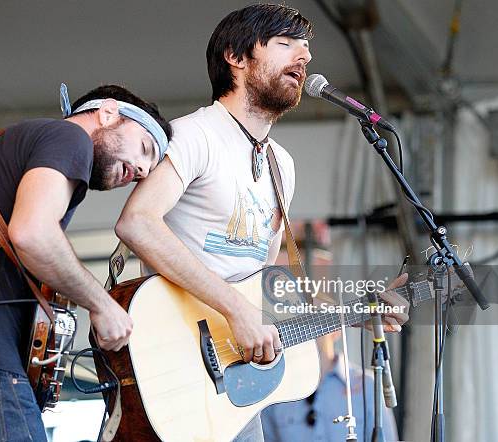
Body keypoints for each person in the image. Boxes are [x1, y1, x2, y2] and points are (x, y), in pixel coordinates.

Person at [115, 4, 409, 441]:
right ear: (236, 57)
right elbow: (136, 223)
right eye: (286, 44)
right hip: (174, 366)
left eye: (306, 49)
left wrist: (350, 315)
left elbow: (264, 292)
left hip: (232, 389)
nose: (304, 58)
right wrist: (237, 310)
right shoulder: (196, 135)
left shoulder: (281, 165)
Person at [0, 83, 172, 441]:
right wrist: (102, 304)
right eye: (144, 148)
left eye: (148, 170)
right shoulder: (68, 138)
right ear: (108, 113)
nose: (140, 169)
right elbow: (33, 233)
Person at [261, 331, 399, 442]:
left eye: (313, 323)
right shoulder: (275, 393)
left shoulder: (367, 385)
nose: (304, 332)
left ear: (336, 330)